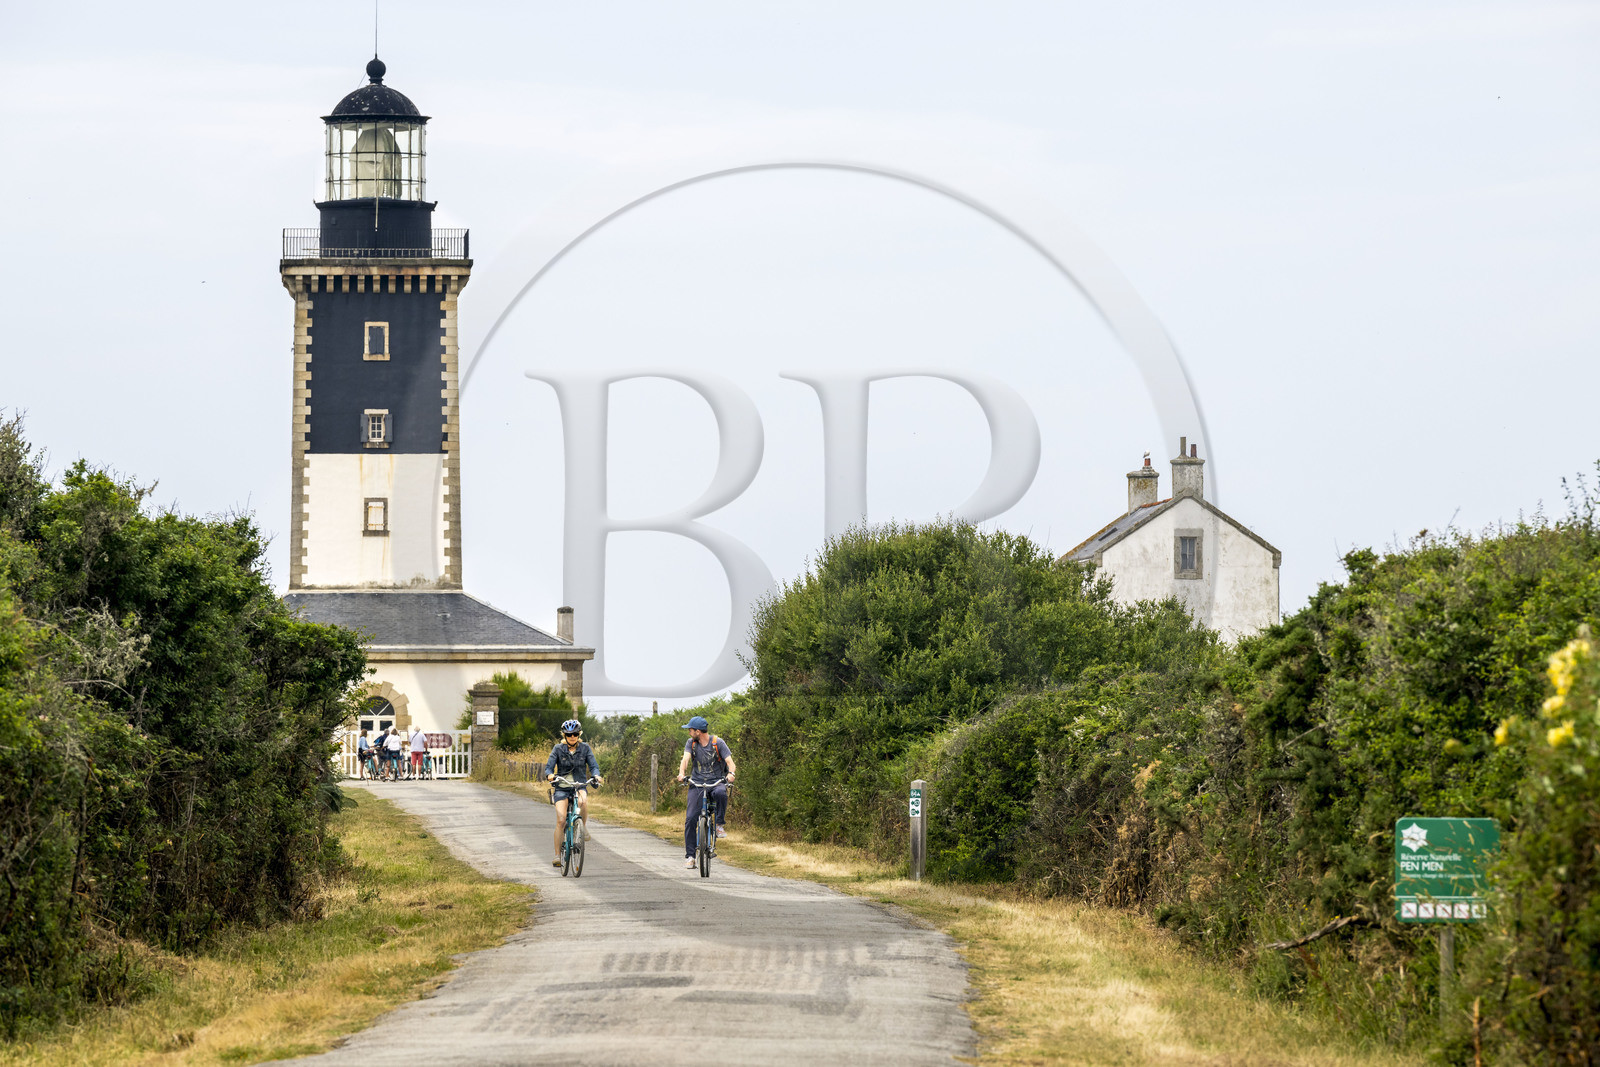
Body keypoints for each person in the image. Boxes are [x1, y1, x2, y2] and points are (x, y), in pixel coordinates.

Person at [676, 715, 736, 869]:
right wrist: (682, 773)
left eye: (690, 730)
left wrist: (731, 774)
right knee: (690, 819)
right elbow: (685, 759)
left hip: (716, 782)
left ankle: (719, 825)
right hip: (697, 783)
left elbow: (730, 762)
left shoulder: (718, 743)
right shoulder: (691, 743)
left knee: (721, 793)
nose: (689, 732)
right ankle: (690, 856)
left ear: (698, 731)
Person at [544, 719, 602, 866]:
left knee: (583, 800)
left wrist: (596, 775)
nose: (572, 737)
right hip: (562, 787)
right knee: (561, 821)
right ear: (564, 735)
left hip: (579, 784)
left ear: (579, 734)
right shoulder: (557, 749)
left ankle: (583, 826)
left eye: (575, 734)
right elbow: (549, 767)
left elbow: (593, 766)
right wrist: (550, 774)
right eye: (569, 734)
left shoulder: (585, 748)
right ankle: (557, 855)